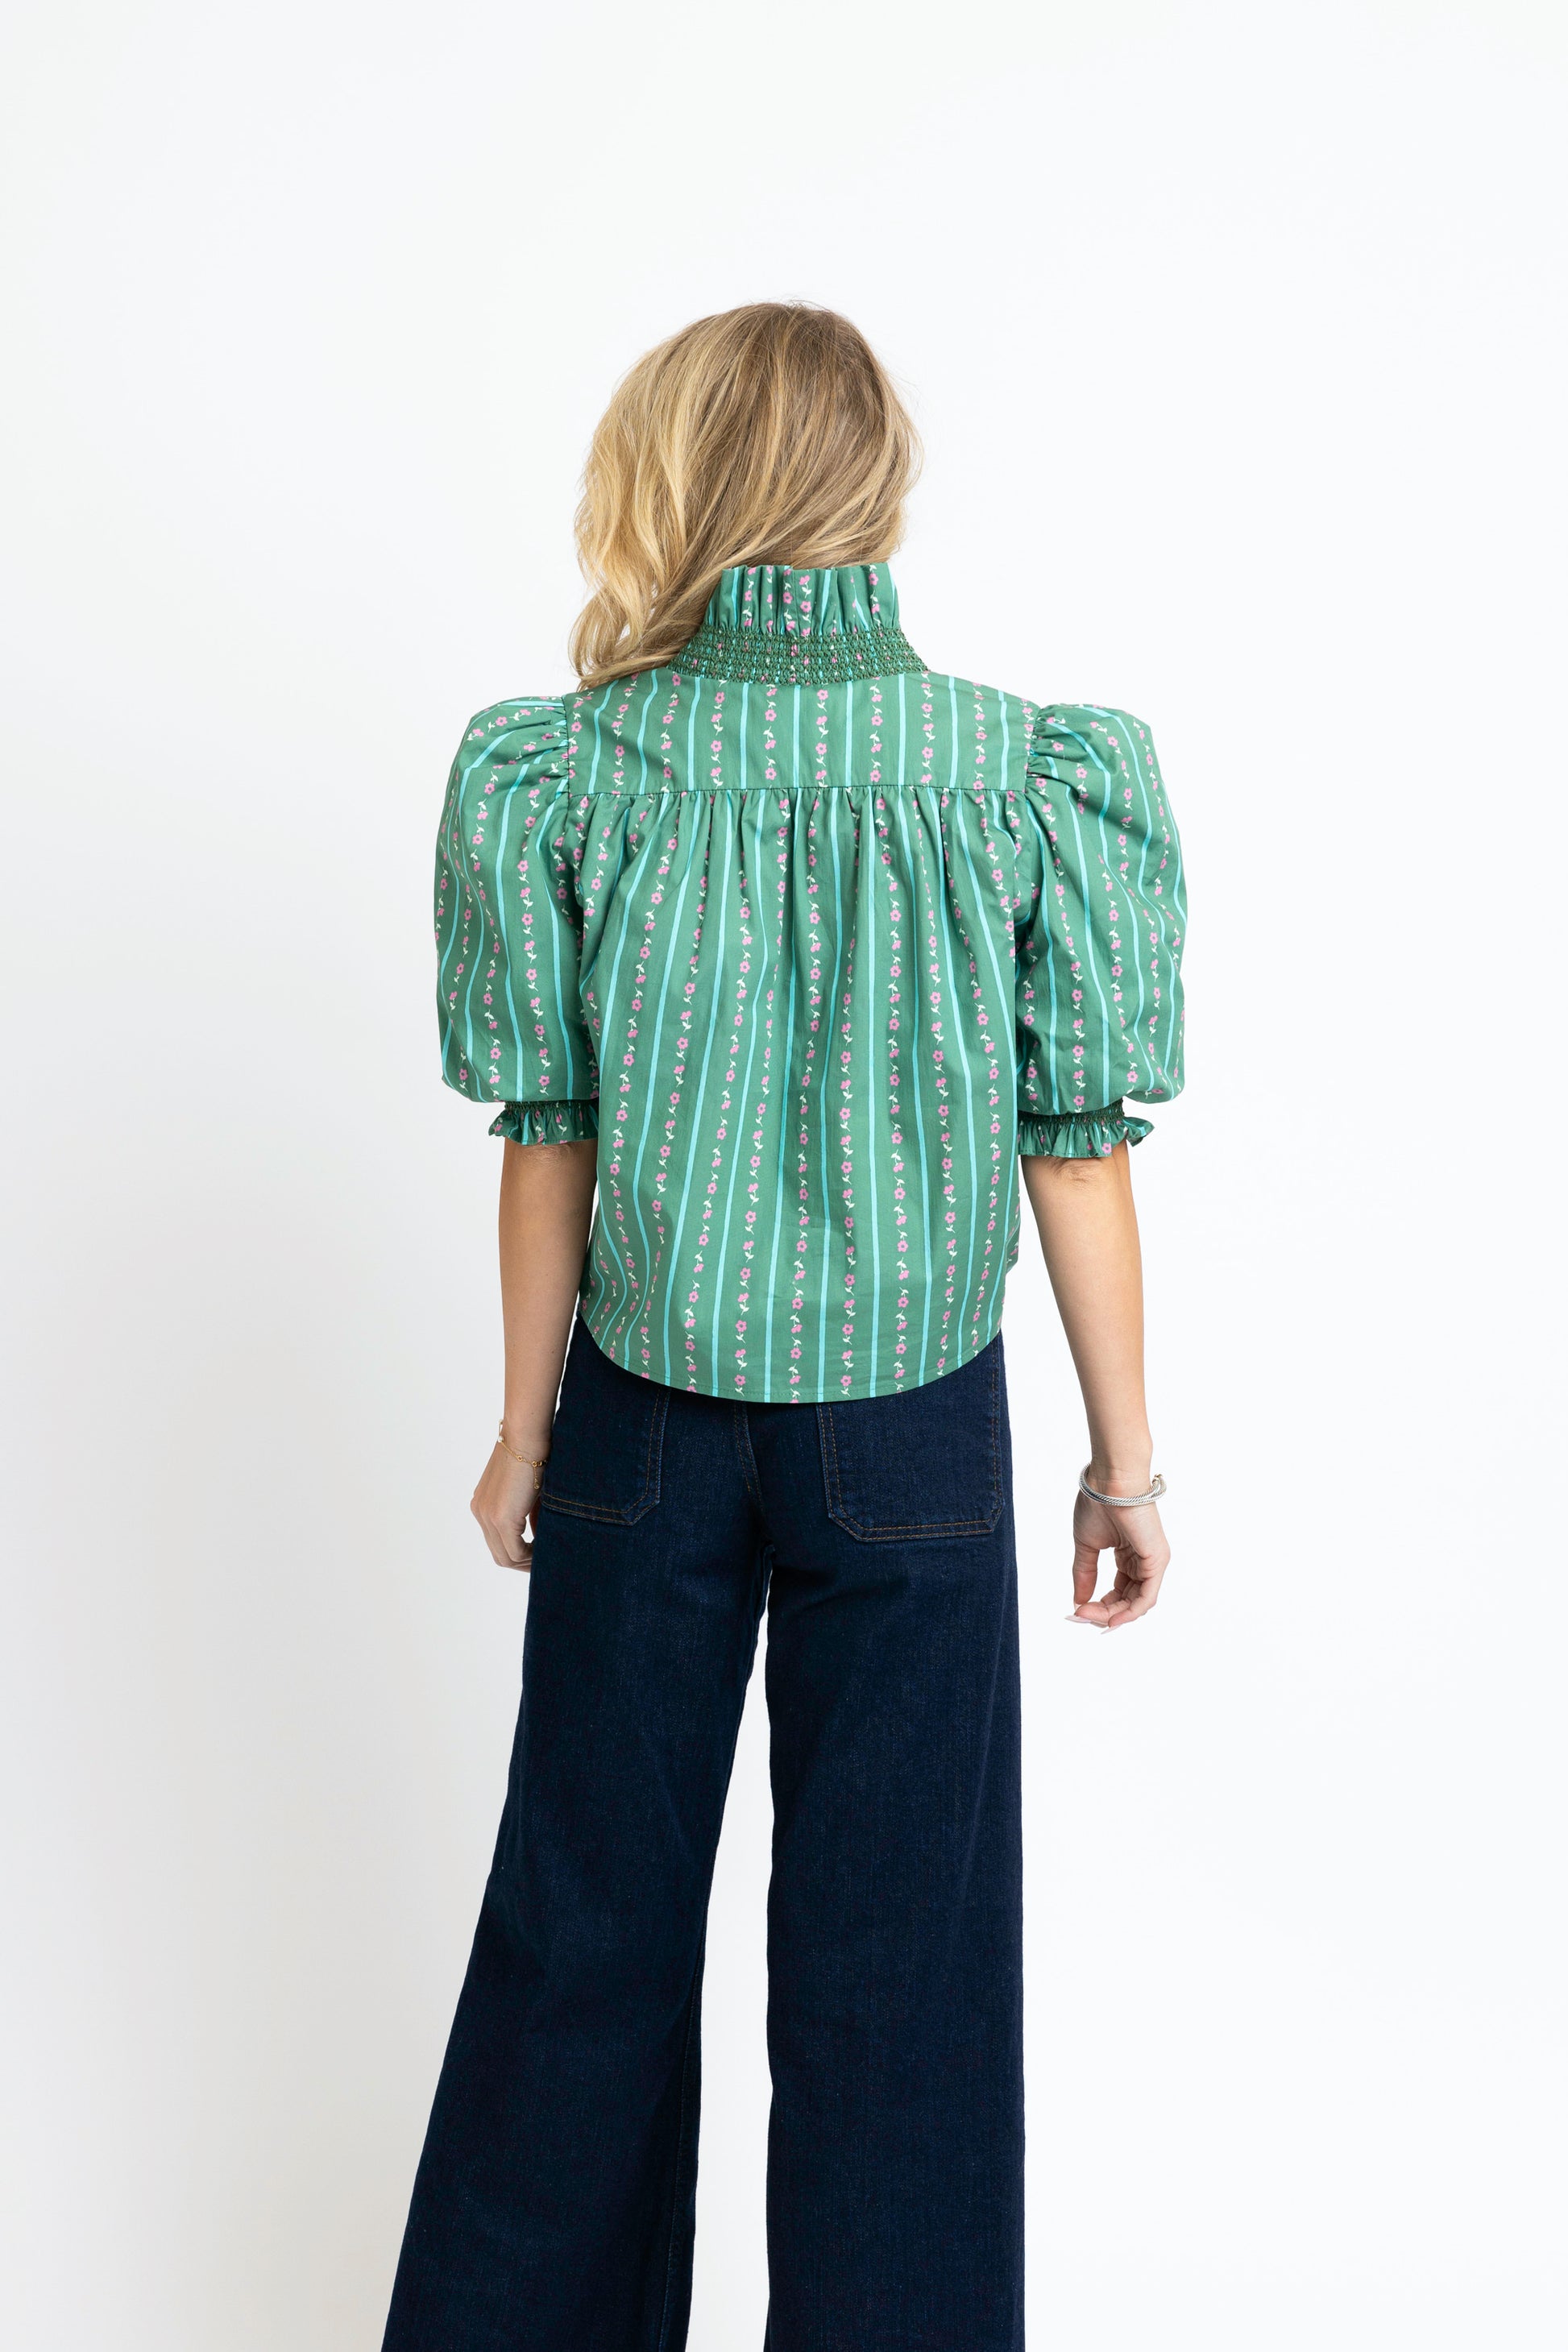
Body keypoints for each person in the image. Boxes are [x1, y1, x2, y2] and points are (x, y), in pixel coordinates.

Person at [382, 301, 1184, 2352]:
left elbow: (546, 1131)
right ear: (874, 489)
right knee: (901, 1977)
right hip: (912, 1439)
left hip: (642, 1416)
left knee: (583, 1940)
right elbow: (1073, 1146)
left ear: (679, 480)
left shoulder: (574, 767)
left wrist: (516, 1423)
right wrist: (1124, 1460)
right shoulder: (1016, 770)